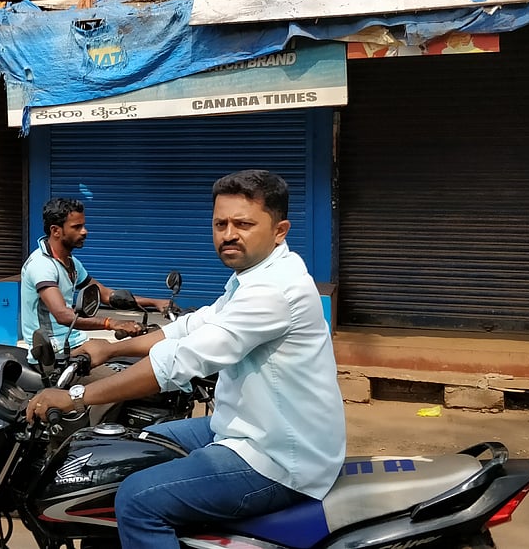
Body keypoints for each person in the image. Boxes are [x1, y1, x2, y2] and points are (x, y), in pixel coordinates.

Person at [26, 171, 346, 549]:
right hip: (244, 426)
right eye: (220, 224)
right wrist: (111, 349)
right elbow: (195, 324)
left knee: (136, 500)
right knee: (127, 449)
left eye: (243, 224)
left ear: (280, 231)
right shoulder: (253, 276)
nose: (229, 234)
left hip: (279, 457)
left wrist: (76, 396)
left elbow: (181, 361)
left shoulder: (273, 290)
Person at [21, 198, 169, 361]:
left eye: (83, 226)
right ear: (56, 230)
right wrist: (110, 323)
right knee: (128, 374)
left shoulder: (71, 262)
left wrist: (155, 302)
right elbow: (63, 315)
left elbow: (105, 295)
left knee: (138, 356)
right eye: (77, 227)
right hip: (53, 352)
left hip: (75, 341)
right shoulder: (42, 265)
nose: (84, 231)